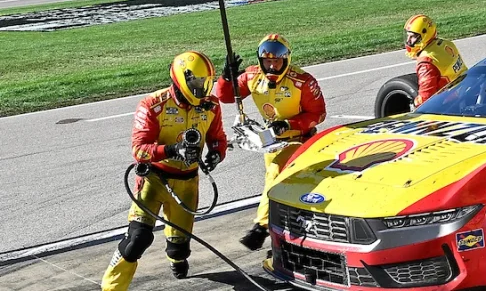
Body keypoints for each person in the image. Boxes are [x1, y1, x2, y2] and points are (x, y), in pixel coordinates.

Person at [102, 51, 228, 291]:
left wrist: (216, 154)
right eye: (196, 83)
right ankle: (111, 287)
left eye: (206, 83)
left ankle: (177, 258)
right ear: (182, 79)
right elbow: (139, 149)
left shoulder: (211, 106)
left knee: (179, 247)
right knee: (136, 240)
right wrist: (172, 150)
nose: (202, 90)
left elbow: (218, 138)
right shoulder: (152, 105)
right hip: (154, 180)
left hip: (188, 182)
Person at [213, 33, 327, 251]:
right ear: (260, 60)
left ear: (286, 60)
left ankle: (260, 228)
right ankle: (285, 235)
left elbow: (319, 114)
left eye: (277, 61)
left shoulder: (303, 81)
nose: (272, 67)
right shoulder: (251, 77)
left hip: (299, 141)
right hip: (270, 141)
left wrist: (289, 123)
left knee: (274, 175)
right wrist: (225, 78)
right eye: (268, 61)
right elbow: (226, 96)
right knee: (275, 186)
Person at [404, 14, 467, 107]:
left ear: (424, 36)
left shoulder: (426, 62)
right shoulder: (447, 44)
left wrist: (414, 103)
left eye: (412, 37)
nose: (408, 41)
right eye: (407, 36)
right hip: (466, 91)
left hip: (449, 104)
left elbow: (426, 99)